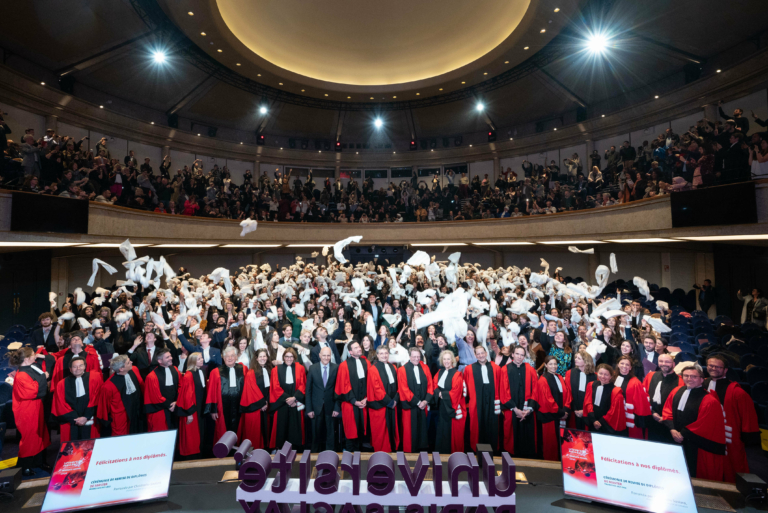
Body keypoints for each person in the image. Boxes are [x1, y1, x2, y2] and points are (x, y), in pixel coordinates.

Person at [662, 364, 726, 481]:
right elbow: (667, 410)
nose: (689, 379)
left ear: (702, 379)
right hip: (674, 436)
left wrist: (683, 434)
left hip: (695, 443)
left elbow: (705, 423)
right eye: (686, 376)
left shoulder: (709, 400)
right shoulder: (676, 391)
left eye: (693, 376)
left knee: (692, 472)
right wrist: (672, 429)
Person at [704, 355, 759, 482]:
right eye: (711, 366)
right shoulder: (703, 384)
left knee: (733, 465)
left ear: (725, 370)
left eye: (718, 366)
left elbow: (747, 415)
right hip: (707, 432)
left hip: (729, 435)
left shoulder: (737, 392)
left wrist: (746, 435)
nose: (713, 368)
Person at [9, 346, 51, 476]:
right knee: (30, 437)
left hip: (36, 406)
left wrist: (43, 376)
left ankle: (38, 462)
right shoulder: (21, 375)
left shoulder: (31, 367)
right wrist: (44, 377)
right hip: (27, 409)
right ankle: (25, 466)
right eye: (33, 354)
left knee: (40, 434)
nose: (35, 355)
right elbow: (32, 391)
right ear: (27, 358)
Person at [53, 356, 103, 442]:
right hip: (71, 420)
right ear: (70, 369)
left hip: (90, 416)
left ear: (85, 366)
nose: (78, 368)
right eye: (75, 366)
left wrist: (86, 417)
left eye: (80, 365)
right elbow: (60, 403)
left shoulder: (94, 378)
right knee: (73, 448)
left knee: (90, 445)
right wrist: (76, 419)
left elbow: (97, 398)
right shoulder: (62, 384)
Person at [500, 345, 537, 457]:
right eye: (517, 354)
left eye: (522, 355)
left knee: (528, 440)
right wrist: (515, 409)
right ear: (512, 354)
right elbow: (504, 392)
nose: (519, 357)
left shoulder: (530, 369)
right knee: (511, 437)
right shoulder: (505, 369)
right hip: (512, 410)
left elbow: (535, 389)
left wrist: (529, 409)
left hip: (527, 410)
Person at [205, 346, 247, 444]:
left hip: (239, 404)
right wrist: (213, 410)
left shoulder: (243, 369)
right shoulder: (215, 372)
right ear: (223, 358)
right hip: (222, 406)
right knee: (224, 429)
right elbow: (211, 392)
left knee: (238, 427)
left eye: (232, 355)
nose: (230, 358)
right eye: (227, 356)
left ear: (236, 357)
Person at [533, 355, 571, 461]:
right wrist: (561, 412)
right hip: (550, 416)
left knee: (561, 440)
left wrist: (566, 409)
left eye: (555, 364)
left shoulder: (559, 377)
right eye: (550, 364)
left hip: (562, 413)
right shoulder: (543, 380)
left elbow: (567, 394)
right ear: (545, 365)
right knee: (551, 442)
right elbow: (547, 399)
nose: (553, 366)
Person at [463, 345, 501, 452]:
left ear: (486, 353)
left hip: (492, 401)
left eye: (482, 353)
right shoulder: (469, 369)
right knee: (476, 425)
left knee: (492, 424)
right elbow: (465, 386)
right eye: (478, 354)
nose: (480, 355)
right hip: (476, 402)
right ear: (475, 355)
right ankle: (476, 448)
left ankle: (493, 448)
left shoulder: (496, 368)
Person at [97, 355, 145, 436]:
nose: (132, 362)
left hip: (136, 412)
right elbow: (104, 407)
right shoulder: (108, 386)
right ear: (121, 369)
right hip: (121, 420)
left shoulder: (134, 370)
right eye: (128, 362)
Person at [334, 340, 369, 451]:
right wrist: (354, 401)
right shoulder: (344, 365)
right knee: (351, 432)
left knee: (361, 432)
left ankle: (360, 460)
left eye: (359, 346)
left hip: (364, 403)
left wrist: (367, 398)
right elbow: (344, 385)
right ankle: (349, 459)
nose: (359, 348)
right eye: (355, 347)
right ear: (350, 352)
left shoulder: (366, 362)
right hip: (350, 404)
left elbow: (370, 382)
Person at [398, 347, 433, 453]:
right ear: (409, 357)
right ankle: (410, 455)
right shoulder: (402, 370)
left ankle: (421, 452)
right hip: (410, 405)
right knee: (410, 431)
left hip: (423, 404)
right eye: (414, 356)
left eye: (418, 356)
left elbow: (430, 384)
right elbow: (404, 389)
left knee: (422, 430)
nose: (417, 359)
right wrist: (418, 402)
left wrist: (426, 401)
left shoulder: (425, 367)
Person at [269, 347, 306, 450]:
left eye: (291, 357)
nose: (289, 359)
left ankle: (296, 448)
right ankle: (281, 449)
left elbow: (303, 385)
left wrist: (294, 398)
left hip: (296, 401)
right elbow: (275, 387)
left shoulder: (300, 368)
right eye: (287, 356)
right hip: (282, 402)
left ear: (294, 357)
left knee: (295, 425)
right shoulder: (276, 369)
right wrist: (288, 399)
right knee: (282, 426)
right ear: (283, 357)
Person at [306, 346, 340, 452]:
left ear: (331, 356)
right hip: (316, 406)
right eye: (324, 355)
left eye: (328, 355)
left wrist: (337, 407)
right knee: (315, 432)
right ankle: (314, 454)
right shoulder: (312, 368)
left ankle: (330, 454)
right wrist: (309, 409)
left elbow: (338, 390)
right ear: (319, 355)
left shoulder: (336, 368)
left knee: (330, 432)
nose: (326, 357)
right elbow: (308, 390)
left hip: (331, 406)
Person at [642, 353, 682, 444]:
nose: (664, 363)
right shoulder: (650, 376)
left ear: (673, 364)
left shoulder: (681, 381)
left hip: (672, 425)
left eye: (667, 361)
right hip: (652, 420)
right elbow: (644, 397)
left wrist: (666, 418)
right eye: (661, 361)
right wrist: (652, 412)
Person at [367, 345, 400, 453]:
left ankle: (392, 449)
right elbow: (377, 389)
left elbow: (397, 385)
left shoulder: (393, 367)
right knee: (381, 431)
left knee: (392, 429)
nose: (384, 355)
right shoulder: (373, 369)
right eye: (381, 353)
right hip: (380, 405)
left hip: (392, 403)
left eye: (386, 353)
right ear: (377, 355)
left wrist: (395, 399)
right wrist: (389, 402)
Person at [433, 349, 465, 454]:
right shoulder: (439, 372)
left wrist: (442, 394)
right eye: (444, 359)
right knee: (441, 429)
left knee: (450, 432)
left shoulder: (457, 374)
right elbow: (434, 385)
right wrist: (439, 393)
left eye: (448, 359)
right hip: (442, 407)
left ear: (452, 361)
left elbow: (456, 392)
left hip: (451, 407)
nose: (446, 361)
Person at [240, 349, 271, 450]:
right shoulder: (251, 372)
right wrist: (262, 403)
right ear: (256, 358)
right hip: (257, 406)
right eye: (260, 356)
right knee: (255, 430)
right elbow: (252, 389)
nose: (263, 358)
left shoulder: (270, 370)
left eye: (264, 356)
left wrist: (267, 401)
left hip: (267, 404)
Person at [176, 353, 206, 458]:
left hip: (201, 407)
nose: (201, 360)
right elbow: (187, 395)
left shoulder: (201, 371)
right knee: (191, 436)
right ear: (193, 361)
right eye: (198, 359)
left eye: (201, 358)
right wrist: (189, 413)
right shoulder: (188, 375)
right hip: (192, 409)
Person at [613, 355, 651, 439]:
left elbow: (640, 404)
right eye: (622, 363)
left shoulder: (635, 382)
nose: (624, 366)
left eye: (627, 365)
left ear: (630, 368)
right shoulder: (614, 378)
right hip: (616, 416)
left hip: (629, 419)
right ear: (618, 365)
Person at [584, 363, 627, 435]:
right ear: (597, 373)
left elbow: (613, 411)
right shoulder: (591, 385)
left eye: (606, 374)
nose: (603, 376)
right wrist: (593, 420)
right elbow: (588, 402)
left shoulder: (616, 391)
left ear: (611, 376)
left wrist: (600, 422)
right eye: (600, 373)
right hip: (592, 421)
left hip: (606, 425)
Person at [143, 348, 180, 432]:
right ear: (159, 361)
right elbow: (155, 396)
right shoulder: (151, 376)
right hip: (159, 410)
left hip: (174, 407)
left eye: (170, 356)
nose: (171, 358)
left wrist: (177, 401)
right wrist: (171, 405)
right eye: (167, 357)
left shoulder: (175, 370)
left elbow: (180, 386)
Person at [564, 350, 596, 431]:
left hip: (588, 411)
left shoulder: (594, 376)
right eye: (576, 357)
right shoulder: (569, 373)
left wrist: (584, 410)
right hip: (573, 410)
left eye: (579, 358)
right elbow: (568, 392)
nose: (576, 359)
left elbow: (593, 396)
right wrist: (575, 409)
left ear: (586, 361)